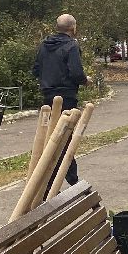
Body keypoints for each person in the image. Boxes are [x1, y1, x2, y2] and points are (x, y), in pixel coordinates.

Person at [32, 13, 88, 185]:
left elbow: (36, 70)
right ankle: (71, 181)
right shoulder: (71, 46)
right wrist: (85, 81)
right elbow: (76, 72)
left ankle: (47, 182)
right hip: (66, 97)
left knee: (50, 138)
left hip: (48, 97)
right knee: (65, 139)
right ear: (73, 28)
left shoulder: (44, 45)